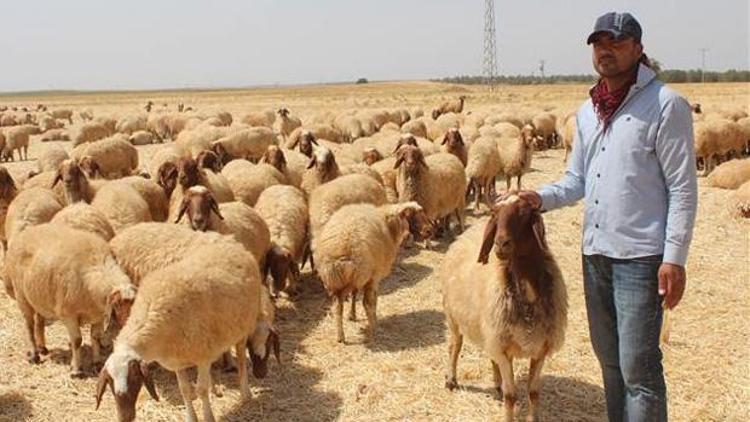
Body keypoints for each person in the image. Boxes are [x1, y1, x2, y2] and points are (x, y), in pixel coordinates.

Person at [519, 12, 698, 422]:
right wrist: (537, 198)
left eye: (616, 43)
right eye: (599, 43)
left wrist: (674, 257)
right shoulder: (587, 111)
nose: (606, 51)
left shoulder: (665, 105)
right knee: (611, 364)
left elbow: (683, 188)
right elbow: (576, 180)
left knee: (640, 369)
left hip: (641, 258)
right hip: (595, 254)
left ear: (637, 48)